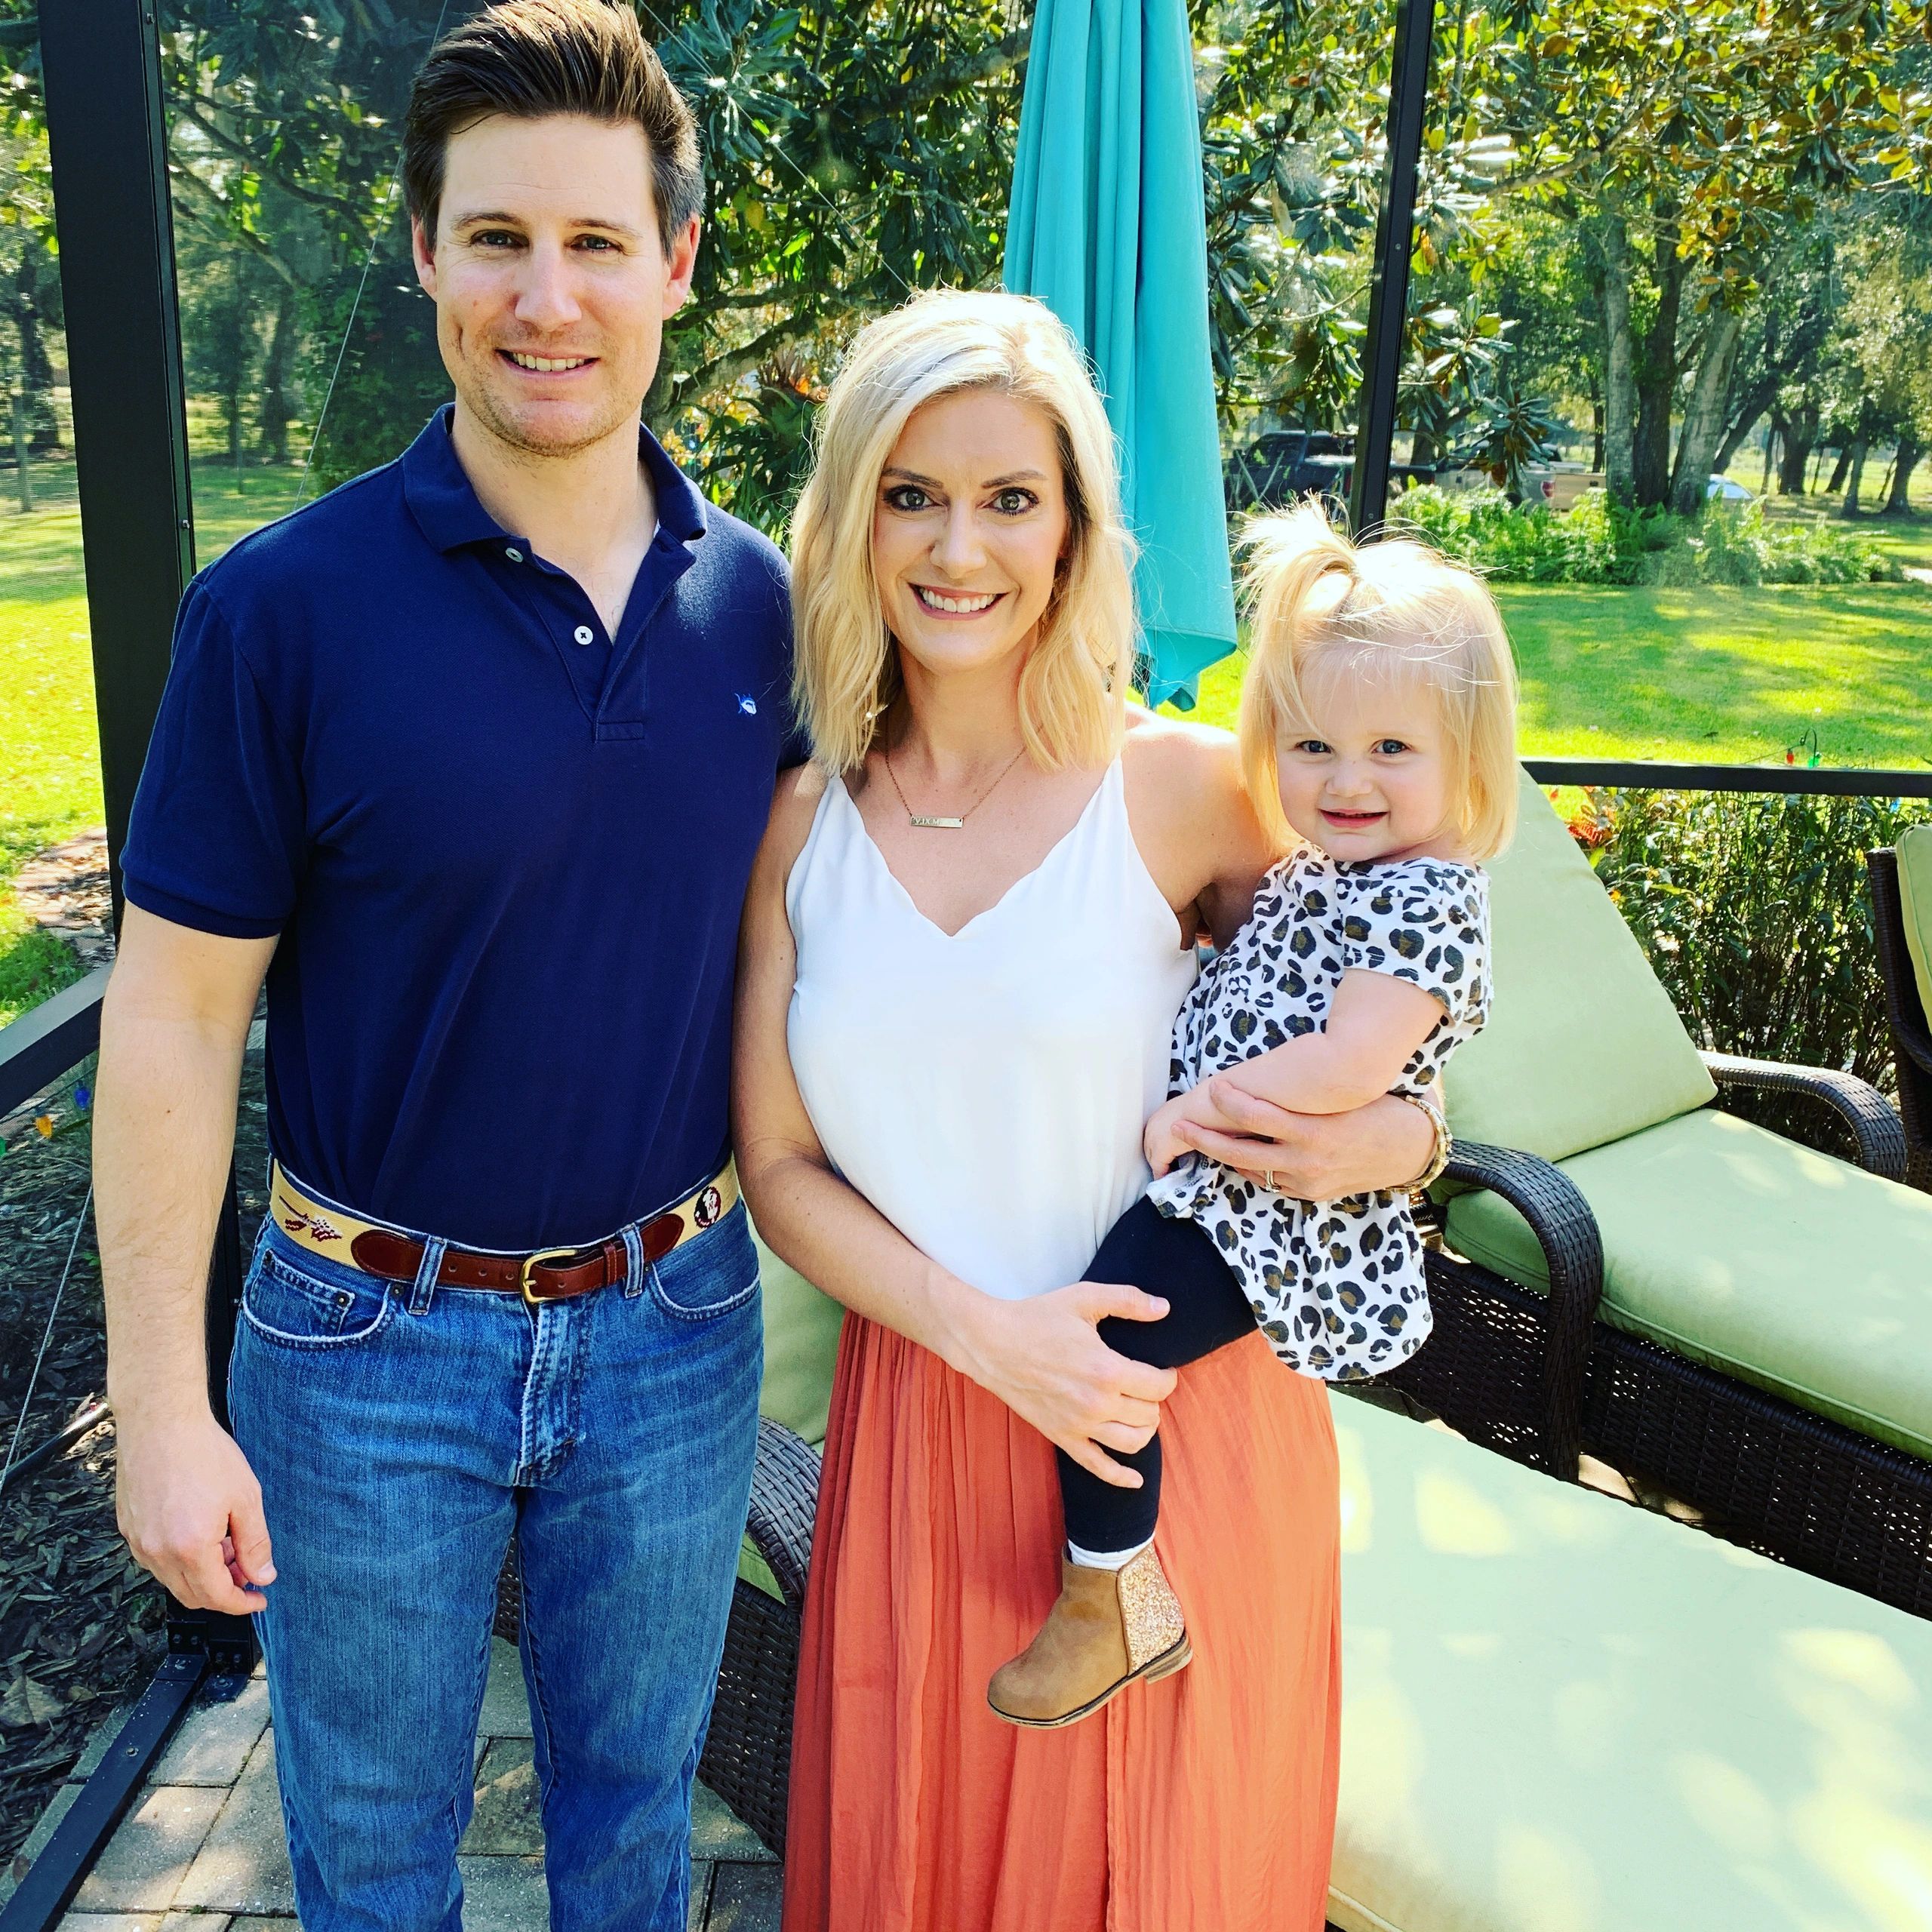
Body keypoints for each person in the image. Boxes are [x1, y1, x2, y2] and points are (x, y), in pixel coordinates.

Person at [93, 5, 794, 1927]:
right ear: (424, 255)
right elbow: (172, 1017)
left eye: (593, 241)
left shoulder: (763, 604)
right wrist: (162, 1405)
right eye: (495, 238)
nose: (544, 298)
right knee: (373, 1852)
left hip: (675, 1318)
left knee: (633, 1823)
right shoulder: (279, 613)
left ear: (674, 260)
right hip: (361, 1345)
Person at [734, 289, 1442, 1932]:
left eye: (1008, 497)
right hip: (924, 1430)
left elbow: (1390, 1026)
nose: (957, 547)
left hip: (1174, 1432)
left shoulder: (1185, 789)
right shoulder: (797, 825)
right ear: (849, 522)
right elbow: (776, 1163)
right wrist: (987, 1335)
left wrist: (1404, 1140)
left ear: (1070, 532)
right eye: (911, 494)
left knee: (1170, 1878)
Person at [988, 503, 1518, 1730]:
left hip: (1263, 1209)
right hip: (1227, 1190)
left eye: (1392, 749)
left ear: (1469, 759)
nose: (1345, 780)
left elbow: (1350, 1063)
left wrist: (1198, 1113)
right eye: (1313, 745)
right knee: (1105, 1342)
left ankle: (1108, 1597)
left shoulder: (1428, 899)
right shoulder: (1330, 871)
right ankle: (1110, 1586)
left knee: (1108, 1346)